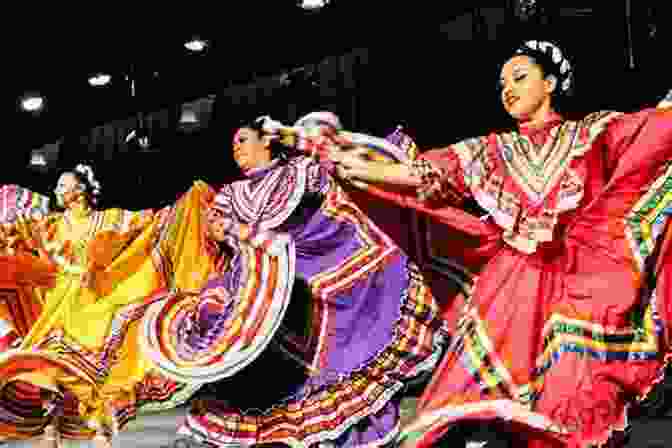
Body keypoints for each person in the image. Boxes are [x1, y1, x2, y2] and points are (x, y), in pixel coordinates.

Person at [329, 40, 672, 447]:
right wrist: (356, 165)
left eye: (520, 77)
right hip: (515, 283)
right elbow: (425, 172)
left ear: (550, 83)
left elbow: (651, 134)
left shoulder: (592, 131)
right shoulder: (493, 149)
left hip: (581, 278)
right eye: (502, 83)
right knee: (475, 396)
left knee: (571, 396)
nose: (508, 88)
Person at [147, 114, 449, 448]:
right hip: (254, 272)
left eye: (242, 140)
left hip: (309, 254)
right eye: (233, 145)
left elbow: (340, 178)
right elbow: (218, 230)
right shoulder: (231, 193)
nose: (236, 149)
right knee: (220, 307)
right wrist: (241, 236)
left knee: (339, 281)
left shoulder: (300, 170)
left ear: (266, 141)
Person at [0, 164, 222, 447]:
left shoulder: (111, 219)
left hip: (97, 302)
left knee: (101, 368)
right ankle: (51, 425)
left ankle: (100, 427)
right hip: (55, 303)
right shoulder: (50, 225)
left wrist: (182, 211)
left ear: (80, 191)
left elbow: (150, 227)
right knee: (48, 361)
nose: (57, 190)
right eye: (57, 186)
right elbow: (15, 233)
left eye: (63, 185)